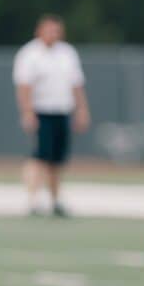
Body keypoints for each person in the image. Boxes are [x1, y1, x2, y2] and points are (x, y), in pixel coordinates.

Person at [13, 14, 90, 216]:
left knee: (57, 159)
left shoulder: (67, 53)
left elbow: (76, 84)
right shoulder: (29, 54)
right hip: (42, 111)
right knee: (39, 156)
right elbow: (24, 86)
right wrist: (27, 112)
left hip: (62, 110)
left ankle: (55, 199)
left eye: (56, 30)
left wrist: (81, 109)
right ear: (39, 31)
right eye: (49, 30)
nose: (53, 34)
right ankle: (32, 199)